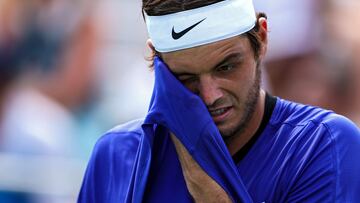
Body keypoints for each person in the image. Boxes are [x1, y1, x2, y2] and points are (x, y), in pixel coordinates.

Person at [78, 0, 360, 202]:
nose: (210, 95)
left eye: (226, 67)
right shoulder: (114, 156)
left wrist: (207, 189)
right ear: (157, 61)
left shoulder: (324, 145)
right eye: (185, 77)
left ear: (261, 38)